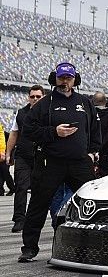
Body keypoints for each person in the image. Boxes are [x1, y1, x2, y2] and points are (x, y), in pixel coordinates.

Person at [19, 62, 101, 263]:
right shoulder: (44, 104)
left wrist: (92, 152)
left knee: (92, 203)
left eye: (69, 77)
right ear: (54, 79)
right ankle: (29, 248)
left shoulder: (85, 102)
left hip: (79, 162)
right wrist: (54, 132)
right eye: (62, 77)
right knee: (38, 204)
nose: (65, 81)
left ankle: (92, 247)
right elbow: (28, 131)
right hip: (50, 162)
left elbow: (95, 131)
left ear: (75, 80)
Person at [6, 85, 45, 232]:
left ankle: (33, 220)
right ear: (28, 97)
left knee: (38, 190)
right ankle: (19, 219)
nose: (35, 99)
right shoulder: (21, 113)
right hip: (23, 155)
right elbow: (14, 133)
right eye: (32, 96)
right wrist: (8, 153)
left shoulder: (48, 112)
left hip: (41, 156)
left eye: (38, 96)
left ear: (43, 97)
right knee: (21, 187)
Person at [0, 125, 14, 196]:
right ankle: (1, 190)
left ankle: (12, 188)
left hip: (5, 156)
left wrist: (10, 157)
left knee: (5, 173)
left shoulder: (6, 135)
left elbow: (12, 146)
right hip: (2, 156)